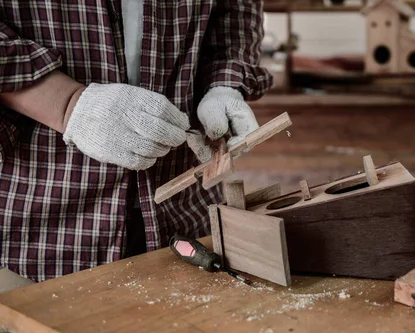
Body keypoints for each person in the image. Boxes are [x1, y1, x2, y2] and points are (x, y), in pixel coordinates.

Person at [0, 1, 272, 283]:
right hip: (41, 225)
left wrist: (223, 82)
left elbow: (238, 9)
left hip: (189, 214)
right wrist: (67, 105)